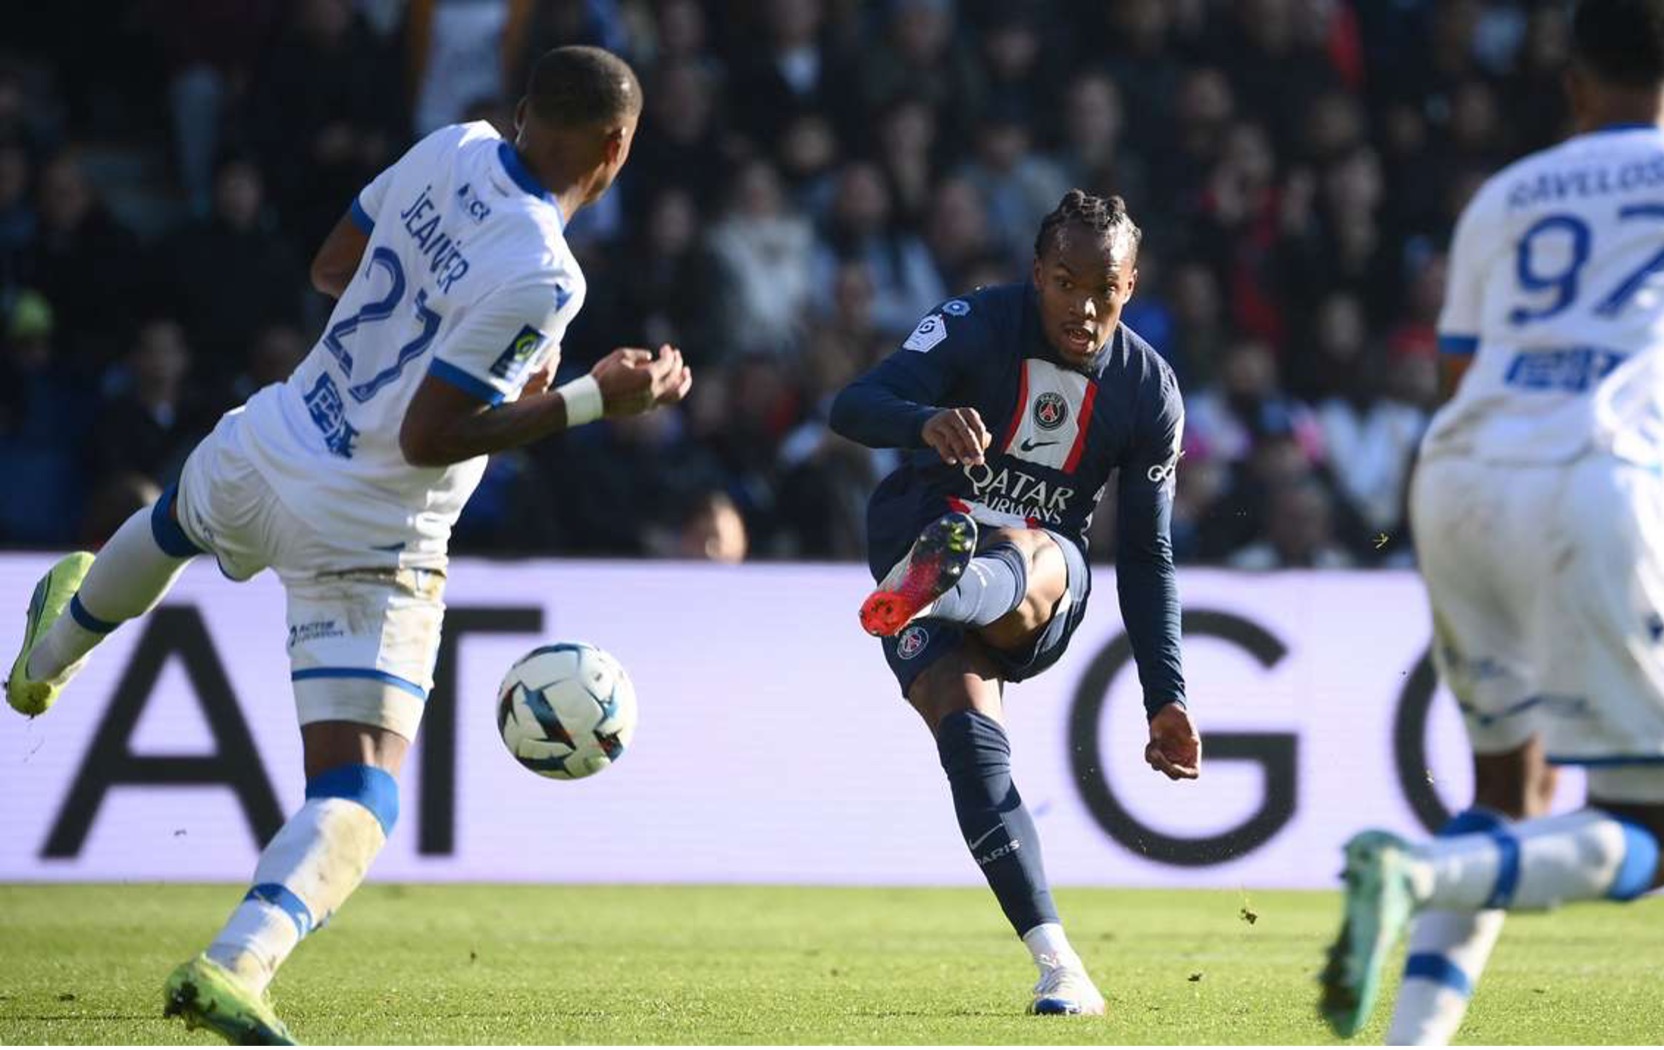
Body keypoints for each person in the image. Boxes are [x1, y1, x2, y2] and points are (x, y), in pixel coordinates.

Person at [5, 46, 692, 1045]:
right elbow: (427, 439)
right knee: (359, 790)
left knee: (172, 523)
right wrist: (594, 399)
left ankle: (45, 655)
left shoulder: (450, 147)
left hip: (280, 435)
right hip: (371, 533)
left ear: (519, 110)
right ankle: (234, 964)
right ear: (617, 149)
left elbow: (333, 268)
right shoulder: (547, 273)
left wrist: (433, 347)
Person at [1316, 1, 1664, 1044]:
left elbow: (1459, 378)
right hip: (1596, 481)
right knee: (1659, 838)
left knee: (1508, 790)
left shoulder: (1504, 197)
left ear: (1573, 89)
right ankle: (1418, 869)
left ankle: (1412, 1038)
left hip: (1456, 475)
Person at [828, 190, 1202, 1016]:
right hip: (925, 533)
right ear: (1037, 276)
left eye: (1103, 286)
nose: (1084, 305)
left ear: (1131, 284)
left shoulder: (1148, 392)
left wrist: (1164, 695)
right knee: (969, 750)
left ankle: (951, 580)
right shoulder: (976, 321)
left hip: (1035, 583)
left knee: (1026, 548)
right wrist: (924, 420)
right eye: (1065, 283)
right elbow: (851, 406)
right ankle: (1059, 965)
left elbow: (1145, 555)